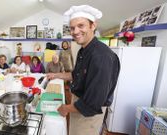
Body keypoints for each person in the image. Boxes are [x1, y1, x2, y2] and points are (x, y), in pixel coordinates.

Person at [47, 5, 120, 135]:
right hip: (78, 104)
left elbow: (92, 104)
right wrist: (56, 74)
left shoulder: (101, 56)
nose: (75, 31)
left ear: (93, 26)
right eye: (72, 28)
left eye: (81, 26)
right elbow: (76, 75)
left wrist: (65, 107)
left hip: (88, 114)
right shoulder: (84, 50)